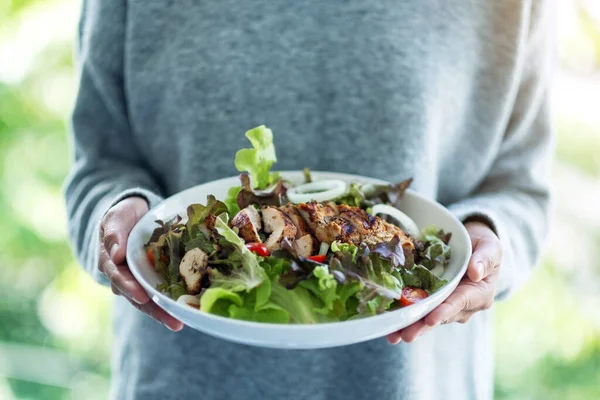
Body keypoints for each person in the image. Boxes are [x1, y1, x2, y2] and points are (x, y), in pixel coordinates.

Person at [65, 1, 554, 399]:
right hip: (182, 381)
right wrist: (122, 224)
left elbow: (521, 187)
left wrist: (486, 244)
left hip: (416, 382)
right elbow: (98, 165)